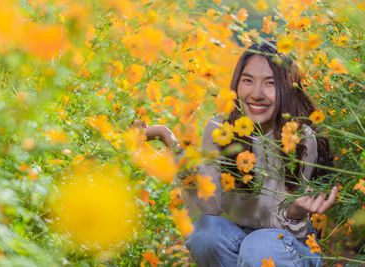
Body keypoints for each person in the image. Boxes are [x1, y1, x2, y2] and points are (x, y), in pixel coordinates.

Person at [134, 41, 338, 267]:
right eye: (248, 80)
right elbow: (210, 205)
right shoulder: (220, 129)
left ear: (287, 89)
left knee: (259, 246)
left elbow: (280, 226)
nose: (256, 94)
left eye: (270, 83)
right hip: (239, 239)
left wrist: (295, 211)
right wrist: (169, 140)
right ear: (237, 84)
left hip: (288, 243)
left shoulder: (300, 138)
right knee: (206, 233)